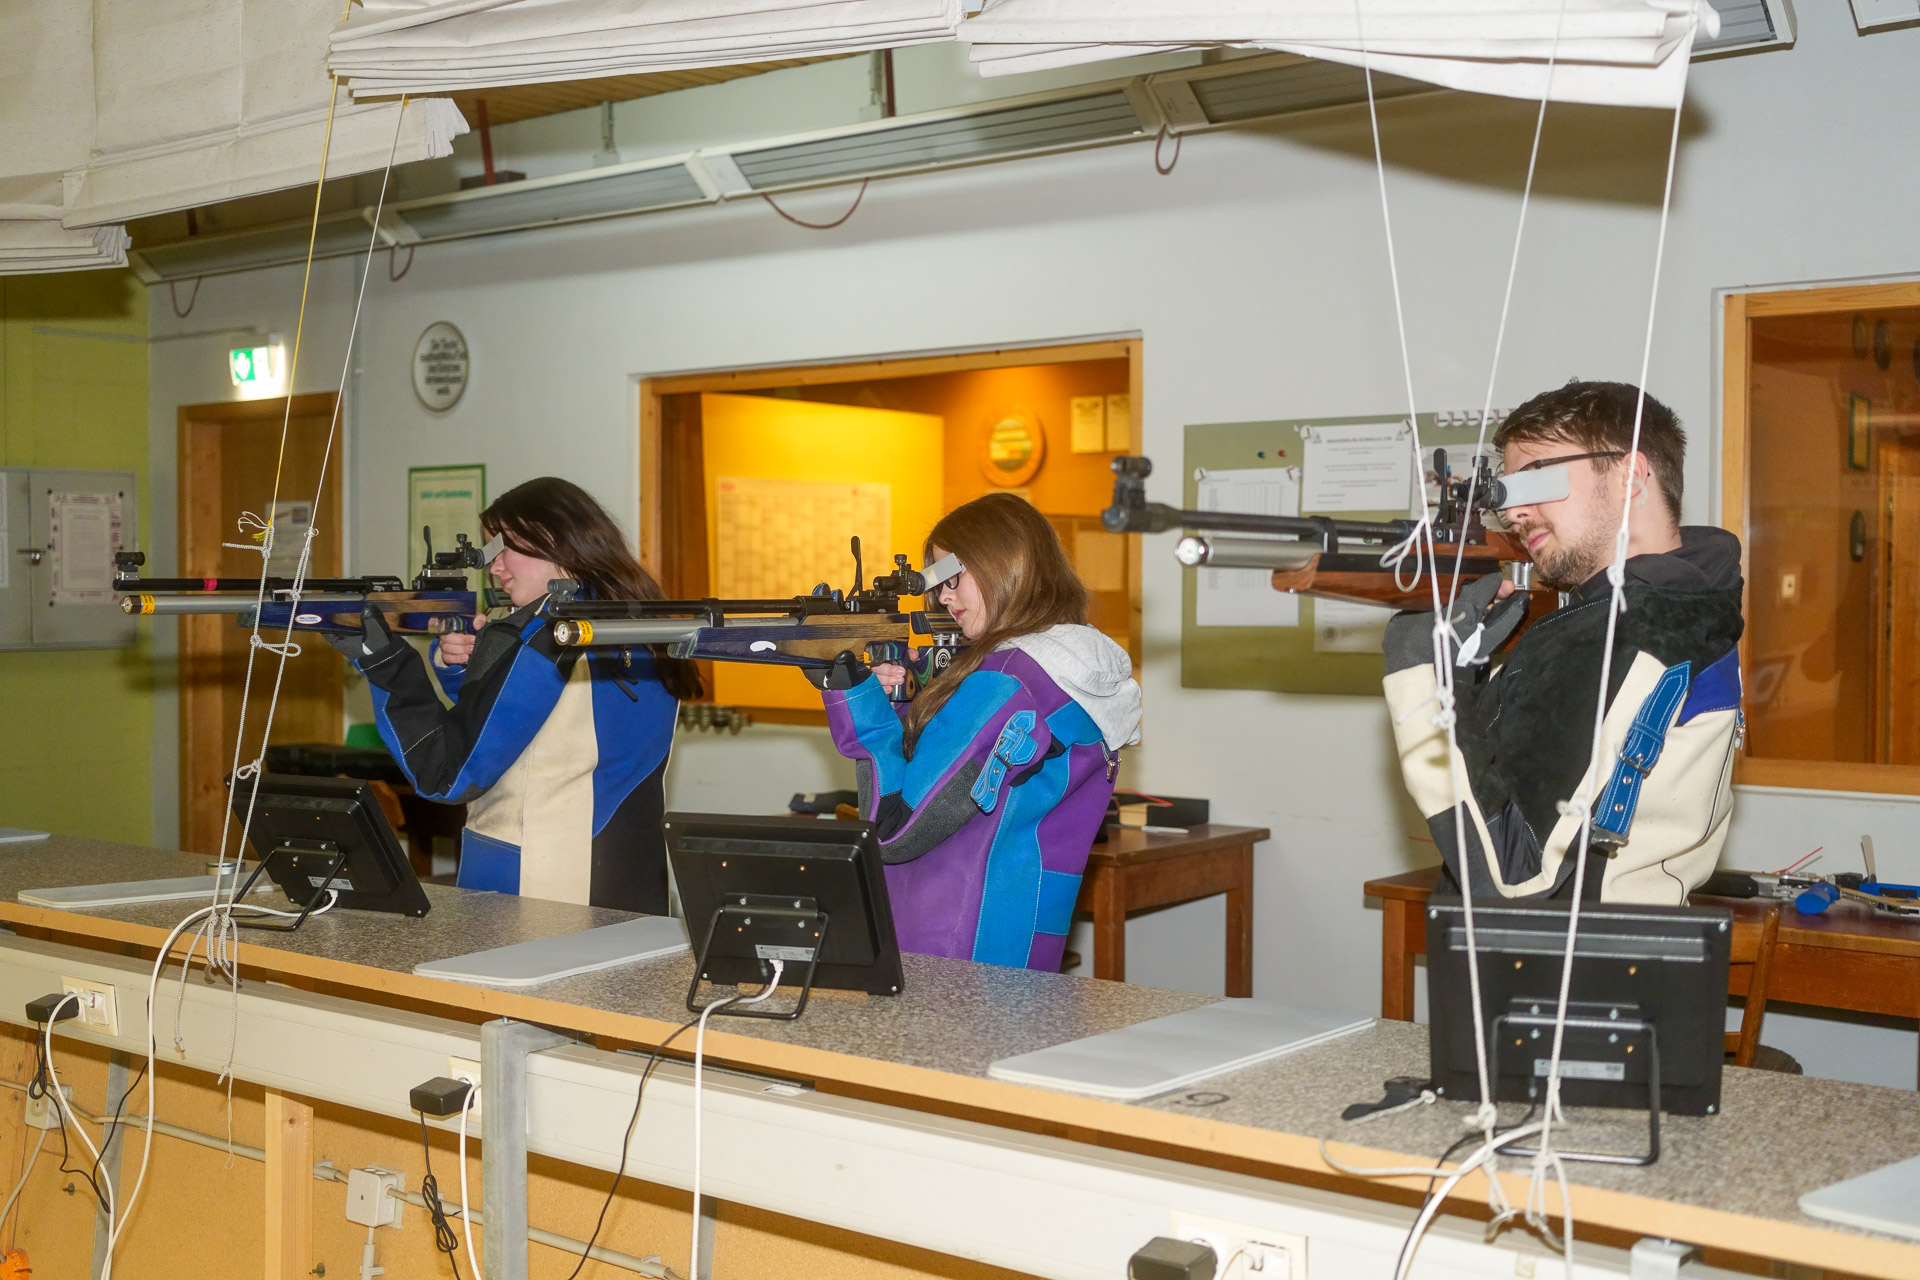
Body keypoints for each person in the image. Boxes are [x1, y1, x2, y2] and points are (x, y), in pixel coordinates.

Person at [1384, 380, 1744, 904]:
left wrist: (1423, 671)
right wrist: (1474, 675)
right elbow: (1521, 794)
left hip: (1568, 970)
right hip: (1597, 959)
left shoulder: (1637, 635)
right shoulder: (1682, 606)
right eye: (1505, 493)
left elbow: (1512, 879)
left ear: (1631, 474)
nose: (1513, 512)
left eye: (1535, 481)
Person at [331, 478, 701, 913]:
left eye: (506, 548)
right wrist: (470, 670)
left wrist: (385, 662)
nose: (495, 568)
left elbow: (448, 774)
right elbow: (549, 728)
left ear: (560, 543)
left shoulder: (548, 638)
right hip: (628, 880)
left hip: (535, 884)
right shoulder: (635, 620)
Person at [812, 493, 1142, 970]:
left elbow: (893, 830)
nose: (943, 597)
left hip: (950, 938)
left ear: (1005, 564)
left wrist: (858, 704)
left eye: (953, 578)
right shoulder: (1063, 672)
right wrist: (905, 705)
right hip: (1021, 926)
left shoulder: (1007, 681)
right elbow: (974, 793)